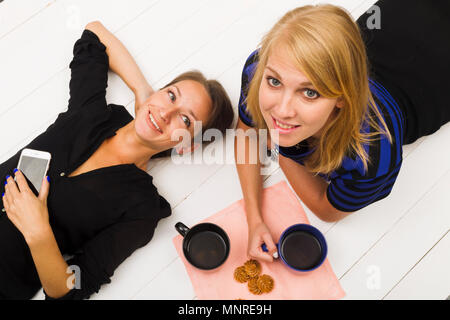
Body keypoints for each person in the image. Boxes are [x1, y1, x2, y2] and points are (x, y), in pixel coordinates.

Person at [0, 21, 234, 299]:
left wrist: (38, 233)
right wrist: (142, 91)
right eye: (171, 95)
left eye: (185, 119)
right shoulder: (90, 113)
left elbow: (72, 288)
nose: (165, 113)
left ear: (186, 146)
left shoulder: (141, 210)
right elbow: (95, 33)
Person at [234, 1, 450, 262]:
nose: (281, 110)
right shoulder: (259, 69)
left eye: (310, 92)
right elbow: (247, 133)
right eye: (275, 81)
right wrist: (254, 219)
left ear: (342, 98)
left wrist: (280, 145)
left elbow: (327, 210)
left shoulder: (372, 156)